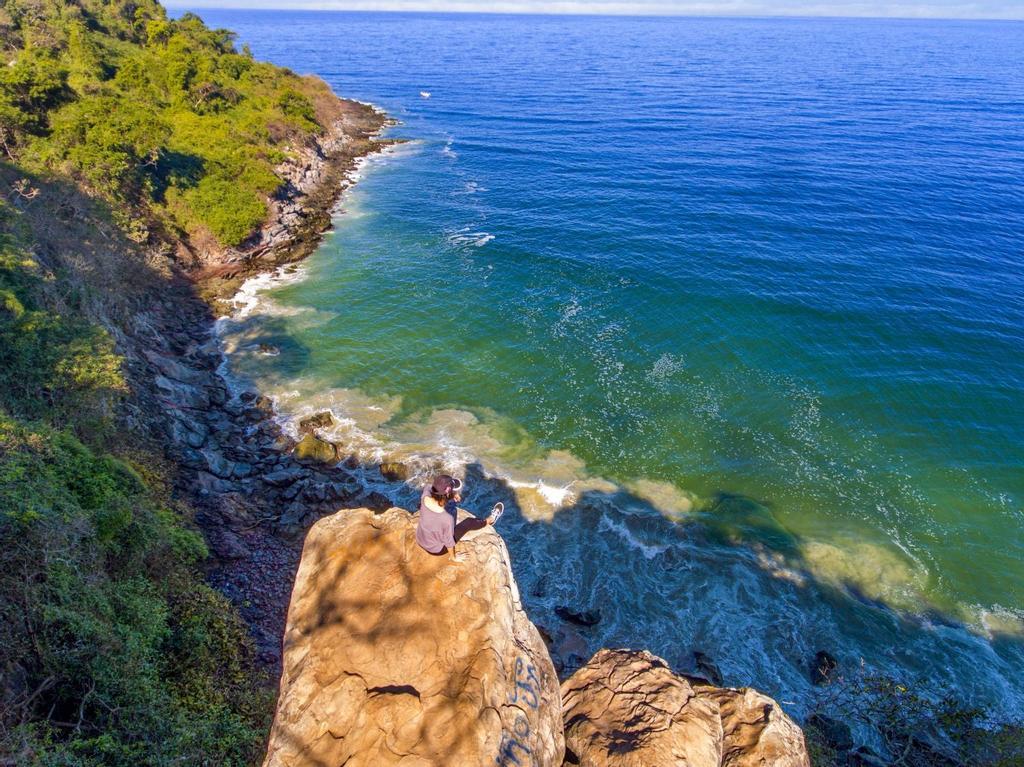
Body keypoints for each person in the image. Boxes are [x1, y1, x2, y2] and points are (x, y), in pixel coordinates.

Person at [414, 474, 504, 562]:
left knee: (451, 506)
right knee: (467, 522)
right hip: (437, 549)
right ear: (447, 493)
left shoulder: (426, 492)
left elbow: (437, 495)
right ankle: (490, 520)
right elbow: (449, 542)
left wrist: (453, 494)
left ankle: (450, 501)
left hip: (420, 539)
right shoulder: (446, 518)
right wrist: (453, 558)